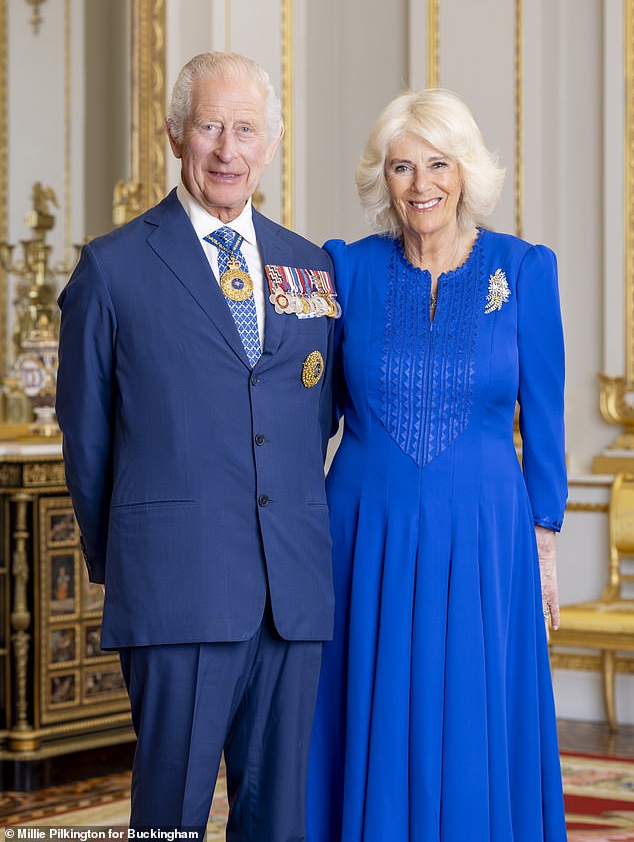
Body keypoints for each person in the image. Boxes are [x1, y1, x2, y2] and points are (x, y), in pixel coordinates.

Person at [56, 51, 338, 839]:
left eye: (246, 129)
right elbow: (86, 439)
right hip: (175, 587)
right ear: (177, 134)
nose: (227, 148)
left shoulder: (308, 266)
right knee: (171, 818)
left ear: (271, 143)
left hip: (291, 591)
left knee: (277, 819)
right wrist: (132, 559)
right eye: (210, 126)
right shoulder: (111, 270)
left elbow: (310, 418)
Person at [306, 88, 567, 841]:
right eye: (401, 167)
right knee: (367, 709)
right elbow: (307, 414)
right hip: (362, 531)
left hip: (486, 533)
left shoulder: (523, 269)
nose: (421, 185)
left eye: (437, 164)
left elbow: (544, 420)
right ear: (380, 179)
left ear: (466, 171)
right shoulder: (343, 270)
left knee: (472, 709)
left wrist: (544, 541)